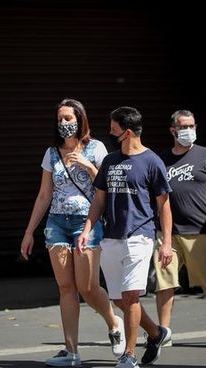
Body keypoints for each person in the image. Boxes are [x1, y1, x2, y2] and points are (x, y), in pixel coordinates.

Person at [20, 98, 126, 367]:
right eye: (60, 119)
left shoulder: (96, 148)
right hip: (57, 222)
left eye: (69, 118)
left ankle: (114, 322)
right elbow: (44, 195)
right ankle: (71, 351)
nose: (64, 123)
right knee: (66, 287)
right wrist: (29, 231)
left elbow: (106, 188)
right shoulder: (52, 153)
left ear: (80, 119)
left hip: (86, 223)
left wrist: (89, 167)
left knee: (88, 287)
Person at [77, 106, 173, 368]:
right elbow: (99, 200)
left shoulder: (152, 162)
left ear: (127, 132)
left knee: (131, 297)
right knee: (118, 298)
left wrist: (167, 243)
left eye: (113, 130)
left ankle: (129, 355)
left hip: (139, 237)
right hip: (111, 237)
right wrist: (87, 229)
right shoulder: (110, 161)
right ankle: (155, 334)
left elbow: (164, 205)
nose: (109, 134)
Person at [154, 110, 206, 347]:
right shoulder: (161, 159)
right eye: (183, 126)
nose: (188, 130)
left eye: (191, 125)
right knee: (165, 282)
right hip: (167, 233)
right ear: (173, 130)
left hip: (199, 229)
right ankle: (164, 331)